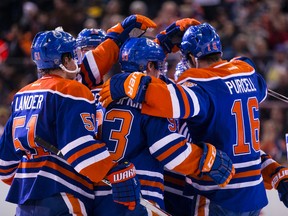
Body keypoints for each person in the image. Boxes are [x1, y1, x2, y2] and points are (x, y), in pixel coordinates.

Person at [99, 22, 288, 215]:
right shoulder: (247, 74)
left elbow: (168, 99)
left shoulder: (196, 88)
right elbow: (244, 143)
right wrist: (276, 173)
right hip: (252, 195)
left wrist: (127, 81)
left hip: (210, 194)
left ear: (191, 58)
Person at [0, 27, 142, 216]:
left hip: (24, 200)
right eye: (74, 56)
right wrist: (115, 171)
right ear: (65, 60)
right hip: (63, 195)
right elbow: (79, 147)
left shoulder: (21, 94)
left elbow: (5, 165)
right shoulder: (71, 89)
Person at [94, 36, 234, 216]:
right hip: (140, 194)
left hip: (101, 195)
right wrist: (205, 159)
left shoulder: (102, 97)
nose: (162, 73)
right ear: (150, 66)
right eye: (159, 66)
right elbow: (166, 149)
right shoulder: (150, 100)